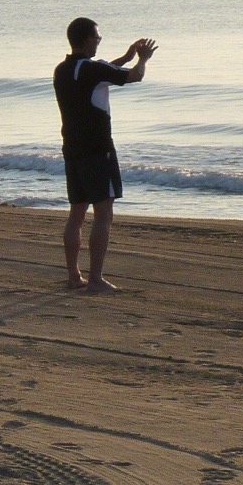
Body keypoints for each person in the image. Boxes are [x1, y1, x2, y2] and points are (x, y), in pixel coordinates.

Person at [53, 18, 156, 294]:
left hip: (72, 148)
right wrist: (142, 59)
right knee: (103, 214)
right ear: (88, 40)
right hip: (98, 149)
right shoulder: (92, 69)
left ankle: (74, 275)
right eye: (97, 38)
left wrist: (125, 57)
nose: (99, 41)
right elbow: (134, 76)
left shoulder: (64, 69)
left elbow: (102, 73)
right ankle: (96, 278)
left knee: (77, 213)